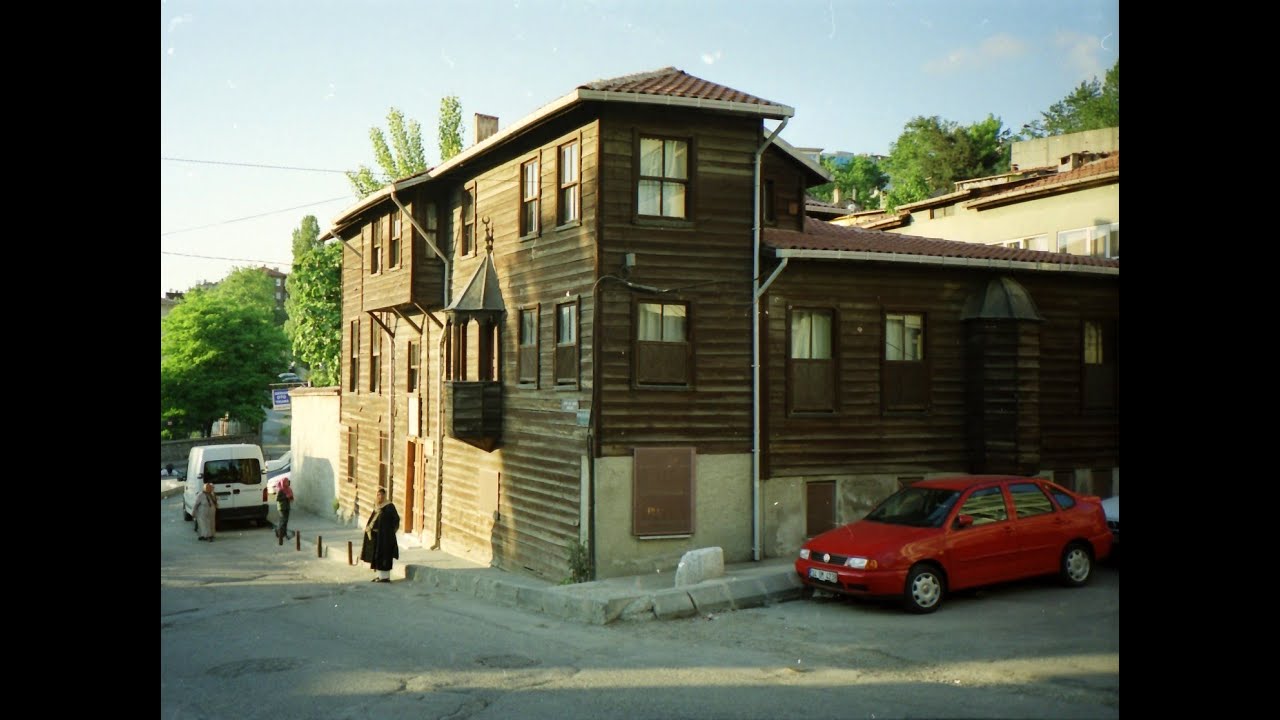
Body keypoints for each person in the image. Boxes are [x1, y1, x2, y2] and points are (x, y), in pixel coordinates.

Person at [360, 488, 399, 583]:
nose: (380, 497)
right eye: (378, 495)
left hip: (385, 537)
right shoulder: (377, 506)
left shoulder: (389, 506)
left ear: (385, 496)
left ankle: (385, 577)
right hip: (377, 536)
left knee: (384, 556)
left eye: (382, 495)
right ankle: (379, 576)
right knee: (377, 555)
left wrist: (390, 531)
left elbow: (396, 519)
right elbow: (373, 519)